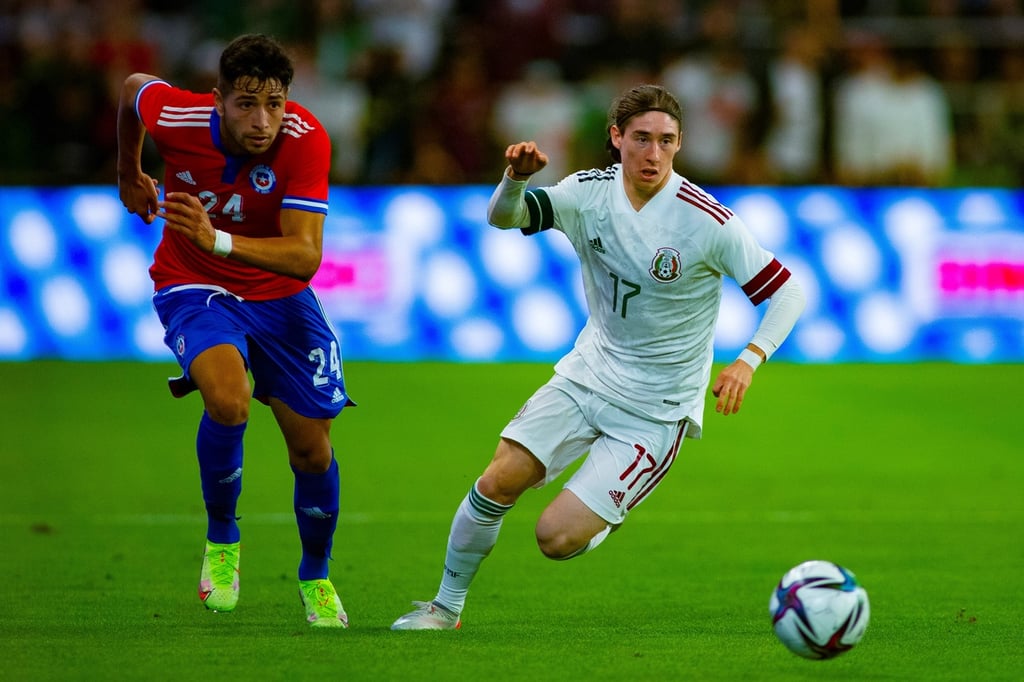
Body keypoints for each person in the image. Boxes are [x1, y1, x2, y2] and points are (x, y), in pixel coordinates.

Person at [391, 84, 806, 630]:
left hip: (655, 411)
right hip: (587, 375)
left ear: (679, 144)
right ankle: (444, 609)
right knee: (496, 481)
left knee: (555, 539)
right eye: (641, 139)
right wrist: (515, 179)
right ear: (616, 138)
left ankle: (604, 517)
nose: (653, 154)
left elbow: (788, 292)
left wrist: (748, 359)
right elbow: (504, 218)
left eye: (665, 141)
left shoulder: (707, 220)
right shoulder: (586, 193)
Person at [117, 33, 354, 628]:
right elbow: (131, 91)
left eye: (275, 103)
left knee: (311, 448)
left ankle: (316, 576)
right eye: (246, 103)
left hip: (279, 296)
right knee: (228, 399)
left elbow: (304, 258)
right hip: (194, 285)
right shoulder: (178, 116)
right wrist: (129, 171)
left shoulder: (305, 141)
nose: (262, 120)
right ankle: (223, 540)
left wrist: (215, 237)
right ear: (217, 99)